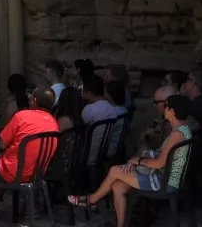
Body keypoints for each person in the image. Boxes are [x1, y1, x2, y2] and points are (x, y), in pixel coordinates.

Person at [68, 95, 194, 227]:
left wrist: (138, 161)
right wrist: (139, 159)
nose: (164, 108)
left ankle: (91, 199)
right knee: (117, 186)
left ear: (172, 111)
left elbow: (160, 163)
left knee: (114, 170)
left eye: (167, 105)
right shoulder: (183, 130)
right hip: (165, 177)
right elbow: (165, 156)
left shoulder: (176, 135)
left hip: (164, 181)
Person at [0, 87, 59, 226]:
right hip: (36, 174)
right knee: (0, 162)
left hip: (12, 171)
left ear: (34, 101)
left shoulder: (22, 116)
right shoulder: (54, 123)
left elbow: (2, 144)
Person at [81, 75, 118, 164]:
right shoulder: (112, 108)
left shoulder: (89, 109)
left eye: (84, 91)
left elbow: (82, 131)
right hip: (104, 151)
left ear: (89, 92)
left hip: (89, 152)